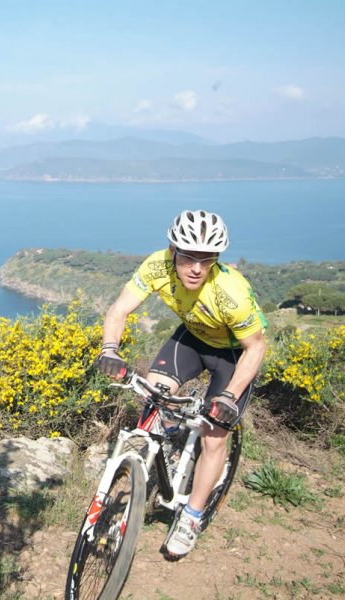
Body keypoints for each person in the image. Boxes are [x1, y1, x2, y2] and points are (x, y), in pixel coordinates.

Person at [94, 209, 267, 558]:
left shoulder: (231, 292)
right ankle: (164, 453)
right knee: (154, 397)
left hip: (232, 356)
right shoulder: (156, 266)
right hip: (190, 340)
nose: (196, 268)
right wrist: (110, 349)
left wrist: (230, 396)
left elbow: (256, 346)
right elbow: (119, 310)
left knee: (214, 433)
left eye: (207, 259)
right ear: (172, 250)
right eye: (188, 256)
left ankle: (191, 515)